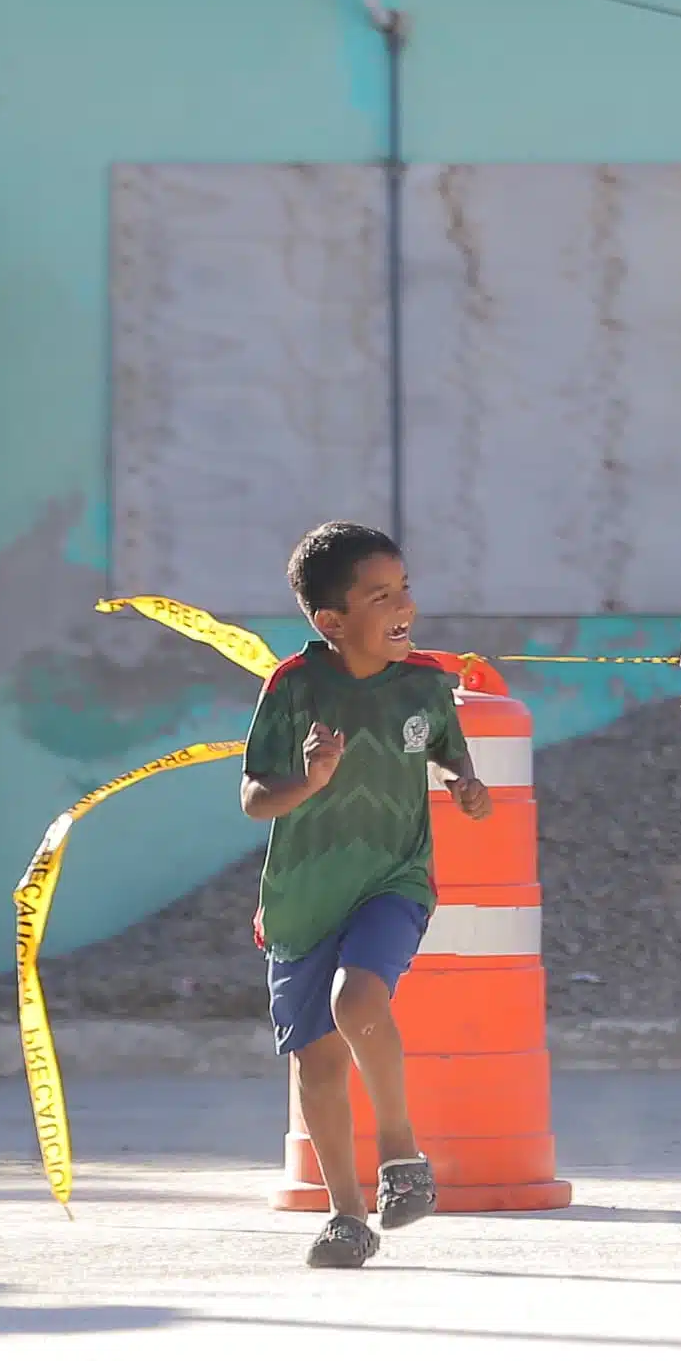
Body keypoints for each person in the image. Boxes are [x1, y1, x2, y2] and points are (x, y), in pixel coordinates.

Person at [241, 520, 493, 1269]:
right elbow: (255, 797)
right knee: (316, 1067)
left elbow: (450, 753)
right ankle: (347, 1215)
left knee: (360, 1000)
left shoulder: (423, 684)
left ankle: (401, 1156)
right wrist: (310, 781)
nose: (401, 606)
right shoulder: (294, 687)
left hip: (395, 879)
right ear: (332, 621)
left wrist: (467, 785)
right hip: (302, 898)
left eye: (404, 587)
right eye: (379, 595)